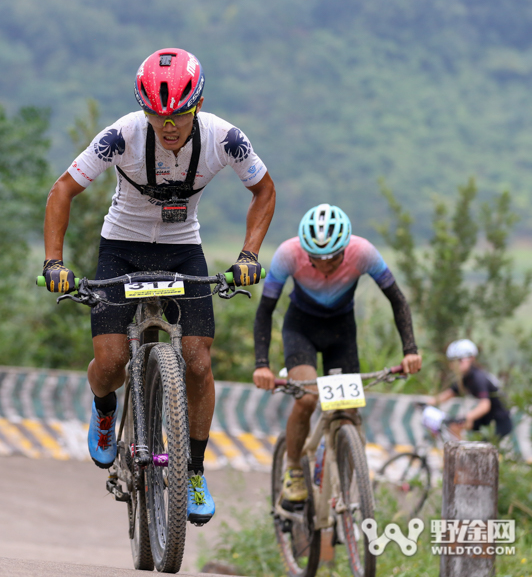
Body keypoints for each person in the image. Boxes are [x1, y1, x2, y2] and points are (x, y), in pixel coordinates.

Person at [42, 48, 276, 524]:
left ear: (200, 104)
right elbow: (63, 190)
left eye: (180, 116)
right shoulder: (121, 136)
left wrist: (249, 254)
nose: (168, 126)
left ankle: (192, 472)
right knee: (110, 362)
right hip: (121, 246)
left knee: (198, 361)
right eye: (157, 116)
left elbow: (264, 190)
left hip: (182, 249)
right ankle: (105, 410)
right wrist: (54, 263)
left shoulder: (226, 139)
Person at [251, 204, 422, 508]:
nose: (326, 266)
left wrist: (410, 350)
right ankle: (293, 470)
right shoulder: (288, 253)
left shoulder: (364, 252)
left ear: (346, 248)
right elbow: (265, 311)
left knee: (348, 410)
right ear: (305, 251)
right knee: (306, 398)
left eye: (333, 258)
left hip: (342, 333)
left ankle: (343, 482)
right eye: (317, 259)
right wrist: (261, 365)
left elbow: (398, 300)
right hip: (300, 329)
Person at [429, 339, 513, 440]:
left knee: (481, 448)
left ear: (471, 358)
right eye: (453, 361)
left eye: (460, 360)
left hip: (499, 422)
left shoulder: (478, 377)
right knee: (454, 426)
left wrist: (468, 417)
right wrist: (428, 403)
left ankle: (464, 452)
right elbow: (448, 394)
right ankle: (459, 452)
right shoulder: (465, 378)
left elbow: (485, 405)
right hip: (486, 419)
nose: (455, 364)